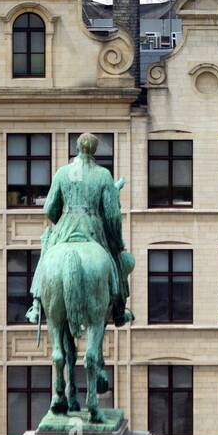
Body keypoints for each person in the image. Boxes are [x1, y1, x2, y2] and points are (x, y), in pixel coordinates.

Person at [25, 134, 134, 327]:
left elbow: (49, 208)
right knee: (117, 259)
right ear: (95, 150)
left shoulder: (62, 173)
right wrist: (116, 241)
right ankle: (119, 309)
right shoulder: (103, 175)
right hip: (94, 231)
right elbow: (112, 215)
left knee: (46, 255)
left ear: (77, 148)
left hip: (65, 229)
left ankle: (36, 304)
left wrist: (63, 217)